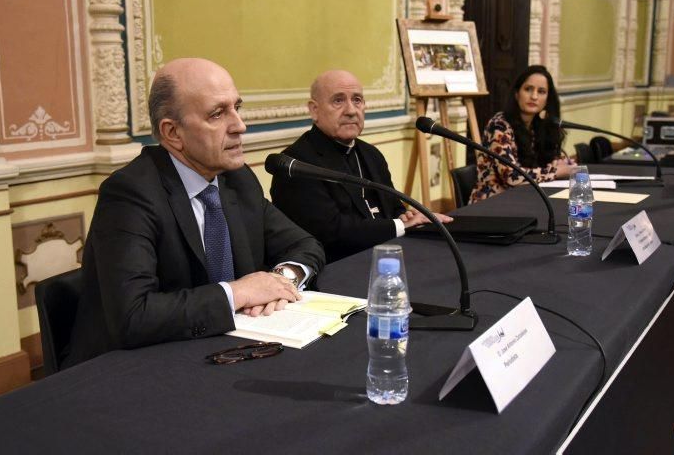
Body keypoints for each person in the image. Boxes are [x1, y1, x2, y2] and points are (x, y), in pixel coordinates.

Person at [63, 58, 325, 368]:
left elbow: (305, 245)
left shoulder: (236, 180)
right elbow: (134, 316)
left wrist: (281, 280)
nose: (239, 125)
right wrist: (238, 292)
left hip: (219, 349)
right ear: (173, 132)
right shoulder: (130, 194)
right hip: (128, 369)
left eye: (236, 108)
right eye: (217, 114)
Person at [270, 69, 452, 263]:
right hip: (336, 269)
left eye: (357, 100)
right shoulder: (297, 164)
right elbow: (331, 233)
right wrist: (401, 225)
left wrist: (405, 216)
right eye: (338, 101)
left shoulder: (370, 154)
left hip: (386, 255)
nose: (350, 110)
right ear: (314, 110)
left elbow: (393, 205)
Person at [470, 65, 575, 202]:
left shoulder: (538, 125)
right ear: (516, 93)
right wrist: (557, 171)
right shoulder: (499, 126)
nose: (534, 96)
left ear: (548, 99)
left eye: (541, 91)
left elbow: (542, 163)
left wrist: (560, 163)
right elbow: (512, 176)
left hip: (523, 199)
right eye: (528, 89)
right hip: (492, 204)